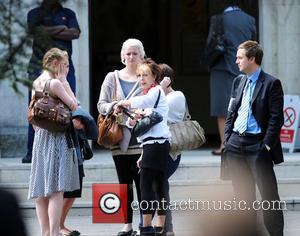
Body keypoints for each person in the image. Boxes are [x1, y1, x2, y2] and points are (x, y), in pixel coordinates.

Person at [224, 40, 284, 236]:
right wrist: (227, 139)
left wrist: (266, 146)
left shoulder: (271, 83)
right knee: (242, 196)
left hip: (257, 145)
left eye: (240, 57)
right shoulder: (238, 81)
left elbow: (277, 118)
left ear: (252, 59)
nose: (236, 61)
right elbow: (232, 111)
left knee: (268, 195)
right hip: (235, 145)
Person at [28, 47, 83, 236]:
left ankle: (45, 232)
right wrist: (65, 82)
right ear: (55, 64)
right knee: (56, 190)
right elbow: (75, 106)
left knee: (42, 190)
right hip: (57, 137)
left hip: (41, 137)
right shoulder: (56, 83)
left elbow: (33, 113)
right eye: (65, 65)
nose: (67, 69)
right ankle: (54, 232)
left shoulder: (36, 81)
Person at [23, 0, 81, 163]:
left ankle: (68, 151)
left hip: (64, 68)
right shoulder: (34, 13)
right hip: (38, 67)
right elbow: (35, 31)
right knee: (36, 108)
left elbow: (75, 33)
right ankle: (32, 153)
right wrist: (62, 29)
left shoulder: (68, 13)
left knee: (68, 106)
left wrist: (48, 31)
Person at [97, 38, 145, 236]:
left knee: (143, 184)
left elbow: (157, 103)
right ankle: (127, 225)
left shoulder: (147, 76)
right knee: (124, 183)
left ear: (142, 56)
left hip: (143, 139)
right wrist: (114, 106)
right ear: (122, 56)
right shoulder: (112, 77)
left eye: (135, 53)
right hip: (120, 139)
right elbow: (101, 105)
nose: (131, 57)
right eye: (128, 53)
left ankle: (145, 222)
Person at [118, 58, 171, 236]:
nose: (141, 78)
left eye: (145, 75)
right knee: (157, 184)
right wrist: (132, 120)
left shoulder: (155, 92)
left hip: (158, 144)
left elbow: (141, 103)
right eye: (139, 75)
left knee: (147, 185)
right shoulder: (147, 95)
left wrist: (122, 103)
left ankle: (147, 227)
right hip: (151, 145)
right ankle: (158, 226)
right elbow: (135, 124)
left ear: (154, 76)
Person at [207, 0, 256, 155]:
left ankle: (225, 145)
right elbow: (254, 45)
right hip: (245, 68)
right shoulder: (250, 19)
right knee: (245, 106)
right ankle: (244, 144)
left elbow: (211, 44)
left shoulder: (218, 19)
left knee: (222, 108)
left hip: (221, 68)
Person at [158, 64, 186, 236]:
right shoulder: (159, 95)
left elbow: (156, 112)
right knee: (160, 186)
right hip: (157, 148)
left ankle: (166, 227)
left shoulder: (176, 96)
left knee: (159, 186)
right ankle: (166, 228)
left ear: (166, 81)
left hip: (170, 151)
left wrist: (159, 89)